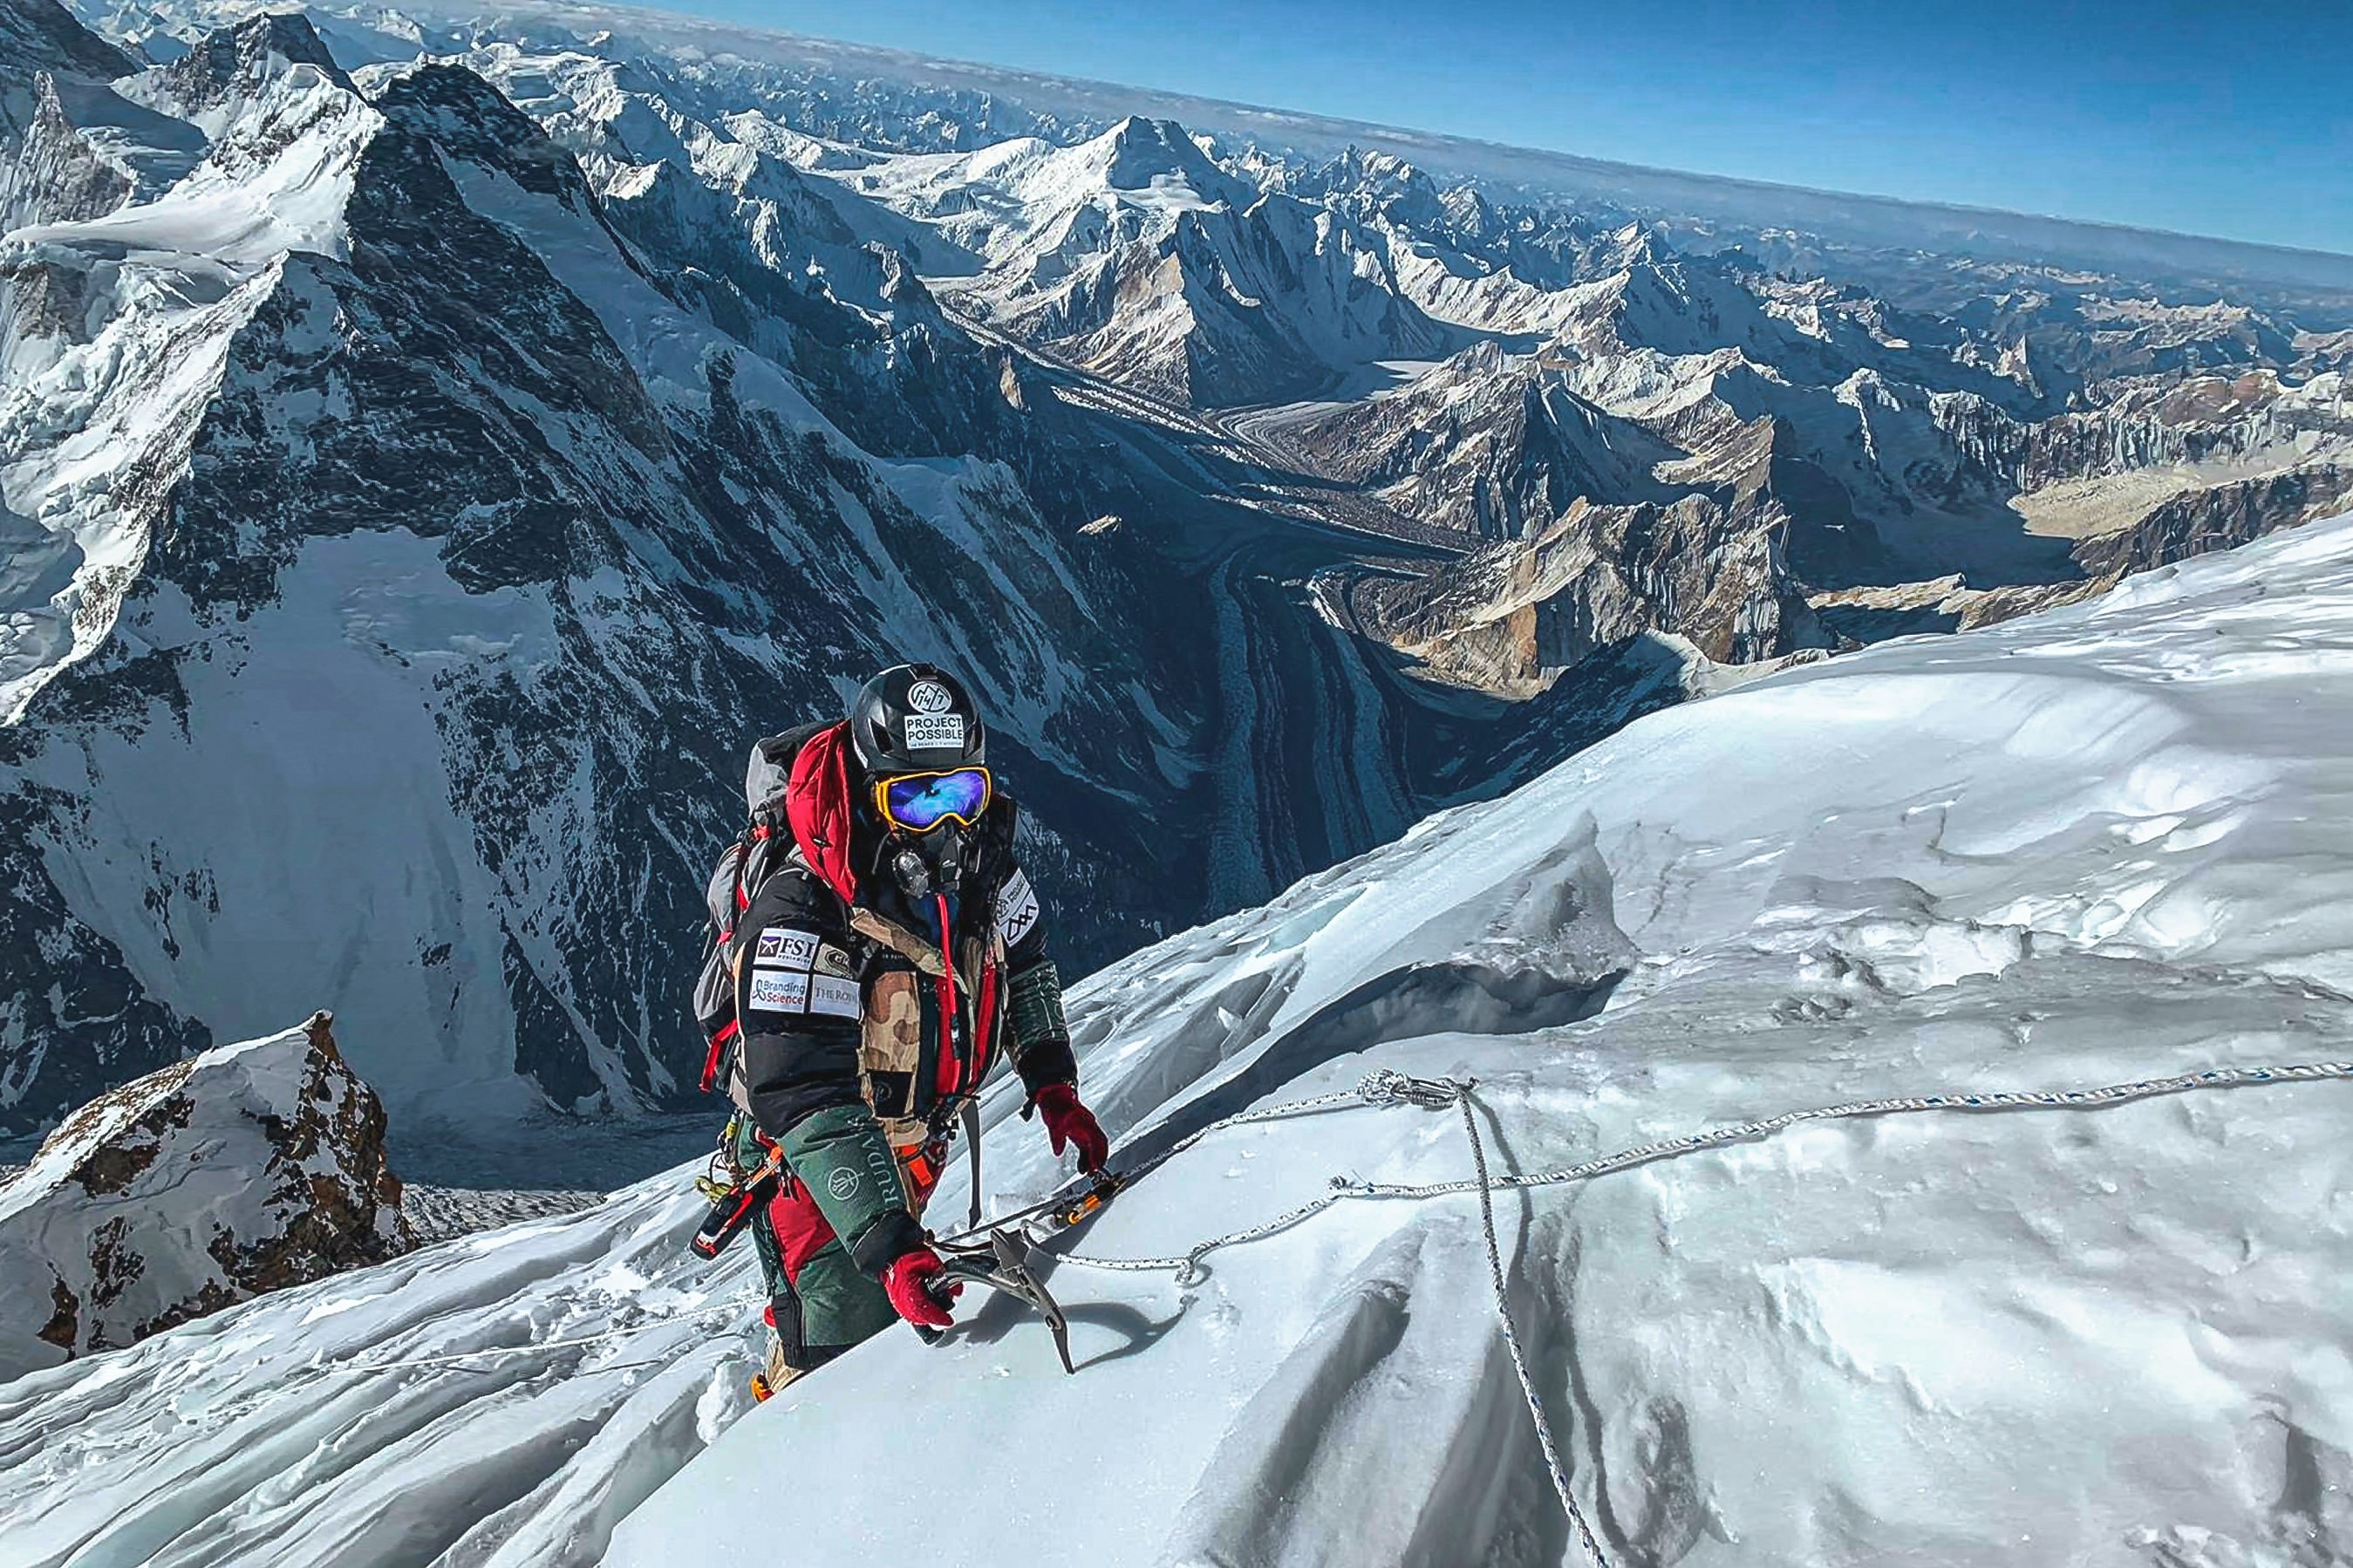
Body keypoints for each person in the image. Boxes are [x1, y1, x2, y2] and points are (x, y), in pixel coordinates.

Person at [707, 664, 1108, 1398]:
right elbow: (802, 1090)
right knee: (836, 1367)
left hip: (911, 1144)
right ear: (871, 792)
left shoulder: (986, 866)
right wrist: (887, 1242)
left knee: (887, 1337)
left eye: (961, 792)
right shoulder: (806, 907)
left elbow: (1023, 969)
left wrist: (1053, 1083)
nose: (947, 823)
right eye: (916, 799)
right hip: (811, 1174)